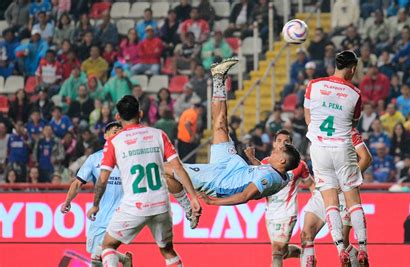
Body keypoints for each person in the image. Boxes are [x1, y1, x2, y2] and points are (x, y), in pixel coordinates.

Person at [164, 58, 301, 206]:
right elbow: (263, 171)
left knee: (166, 167)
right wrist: (252, 160)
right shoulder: (283, 175)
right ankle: (218, 77)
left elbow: (244, 197)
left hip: (218, 181)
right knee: (221, 125)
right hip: (235, 166)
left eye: (279, 151)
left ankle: (186, 206)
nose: (276, 150)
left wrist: (212, 202)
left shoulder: (269, 178)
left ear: (282, 160)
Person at [86, 96, 201, 267]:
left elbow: (102, 180)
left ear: (118, 117)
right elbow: (178, 167)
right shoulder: (158, 135)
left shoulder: (114, 142)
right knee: (168, 251)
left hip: (134, 206)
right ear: (140, 113)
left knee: (107, 246)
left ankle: (123, 260)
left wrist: (96, 204)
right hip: (161, 204)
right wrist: (193, 197)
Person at [303, 50, 369, 265]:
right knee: (353, 201)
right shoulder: (355, 93)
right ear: (352, 69)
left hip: (319, 148)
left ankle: (341, 247)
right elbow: (353, 124)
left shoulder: (314, 85)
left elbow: (308, 118)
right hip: (341, 146)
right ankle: (362, 249)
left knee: (330, 202)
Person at [61, 122, 133, 267]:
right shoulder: (94, 159)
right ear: (106, 136)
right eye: (114, 131)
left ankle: (122, 259)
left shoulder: (131, 157)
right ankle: (124, 259)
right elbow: (77, 183)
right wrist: (67, 201)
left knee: (104, 250)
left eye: (121, 131)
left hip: (122, 214)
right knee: (95, 258)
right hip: (100, 215)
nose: (118, 132)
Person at [300, 128, 372, 267]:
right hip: (323, 190)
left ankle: (357, 259)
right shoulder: (317, 126)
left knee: (343, 244)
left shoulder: (347, 130)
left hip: (343, 191)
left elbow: (366, 157)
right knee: (305, 235)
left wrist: (348, 179)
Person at [244, 129, 312, 267]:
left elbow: (311, 185)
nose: (282, 144)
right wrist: (251, 158)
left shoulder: (298, 165)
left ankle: (305, 255)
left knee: (276, 253)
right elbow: (260, 173)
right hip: (270, 213)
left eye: (286, 141)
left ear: (291, 145)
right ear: (274, 143)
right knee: (283, 252)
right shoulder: (266, 162)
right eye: (279, 141)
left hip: (287, 213)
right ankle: (304, 254)